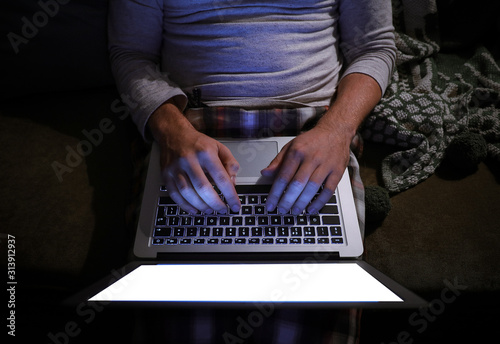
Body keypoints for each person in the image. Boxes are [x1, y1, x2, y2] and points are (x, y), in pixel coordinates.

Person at [108, 0, 396, 342]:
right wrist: (171, 133)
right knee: (177, 315)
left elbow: (375, 47)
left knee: (312, 316)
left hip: (315, 131)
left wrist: (337, 131)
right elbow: (130, 53)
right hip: (190, 131)